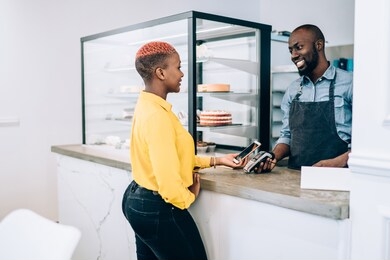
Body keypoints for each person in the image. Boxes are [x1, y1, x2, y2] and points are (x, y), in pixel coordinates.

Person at [121, 41, 246, 260]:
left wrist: (217, 160)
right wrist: (188, 198)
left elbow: (174, 157)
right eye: (177, 67)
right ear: (160, 72)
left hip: (136, 199)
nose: (182, 73)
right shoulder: (158, 116)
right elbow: (169, 184)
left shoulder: (147, 105)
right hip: (156, 207)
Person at [260, 24, 353, 172]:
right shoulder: (293, 90)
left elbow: (366, 142)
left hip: (339, 177)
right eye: (291, 50)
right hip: (296, 178)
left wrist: (338, 162)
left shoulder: (350, 83)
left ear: (319, 45)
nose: (293, 55)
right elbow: (287, 136)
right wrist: (273, 156)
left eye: (299, 47)